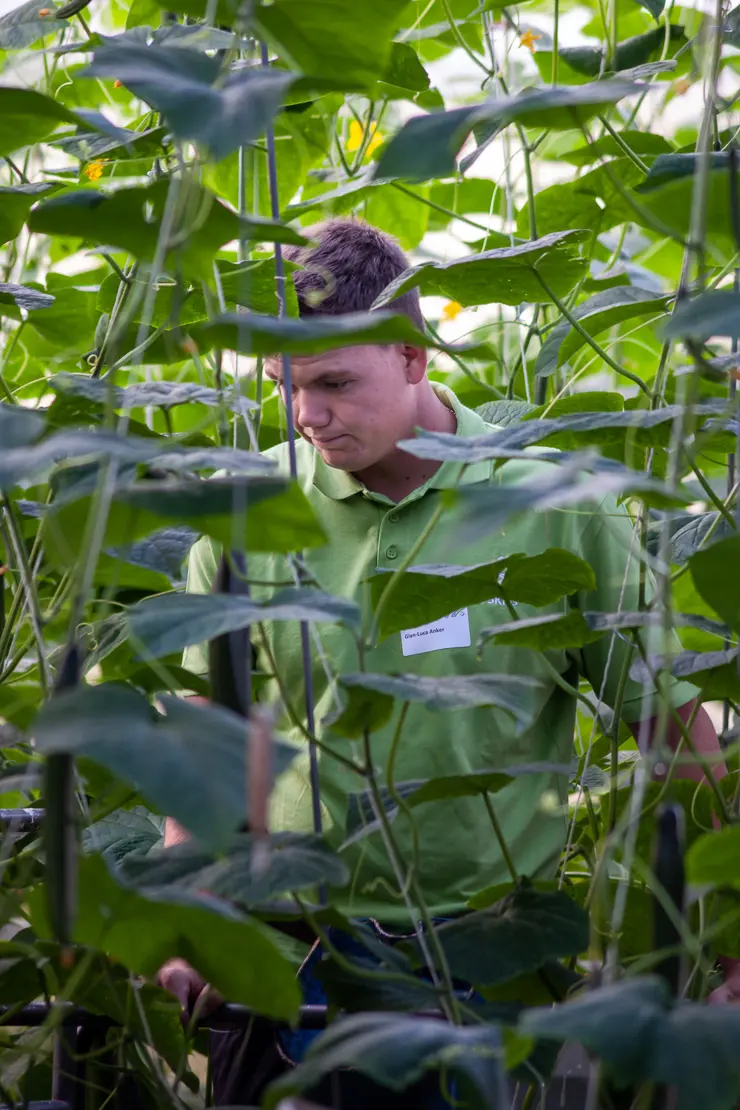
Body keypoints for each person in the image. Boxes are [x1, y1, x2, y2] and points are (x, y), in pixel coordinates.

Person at [157, 218, 738, 1106]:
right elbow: (208, 735)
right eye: (288, 388)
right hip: (286, 945)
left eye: (336, 383)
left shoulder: (556, 506)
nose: (310, 416)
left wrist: (732, 932)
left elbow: (669, 724)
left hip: (482, 957)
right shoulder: (250, 515)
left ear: (415, 355)